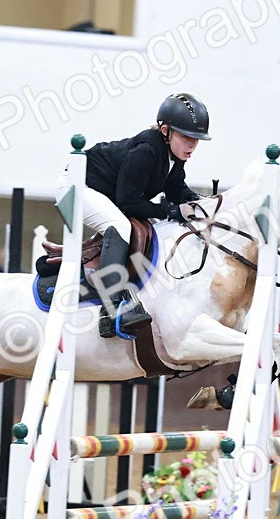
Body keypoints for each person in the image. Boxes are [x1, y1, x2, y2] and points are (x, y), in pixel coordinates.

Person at [70, 92, 211, 339]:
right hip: (76, 186)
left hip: (103, 192)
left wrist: (204, 205)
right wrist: (171, 211)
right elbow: (129, 202)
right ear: (165, 130)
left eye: (197, 139)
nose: (192, 145)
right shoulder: (146, 150)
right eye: (187, 137)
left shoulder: (174, 156)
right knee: (120, 226)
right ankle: (110, 310)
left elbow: (177, 190)